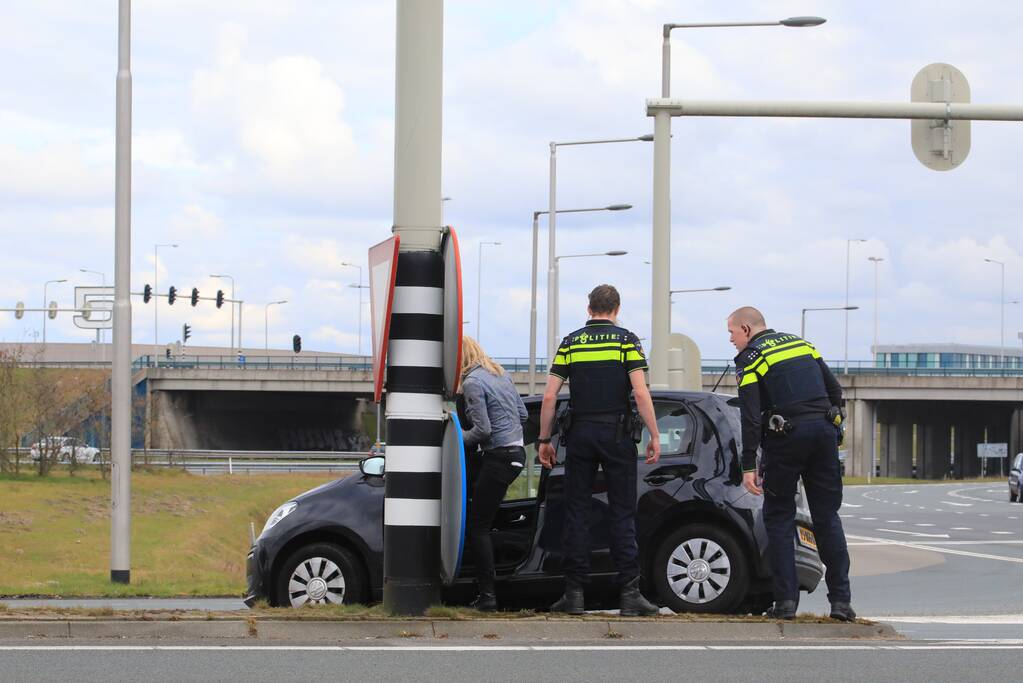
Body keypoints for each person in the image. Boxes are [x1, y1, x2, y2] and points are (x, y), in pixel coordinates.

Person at [537, 284, 661, 616]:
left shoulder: (571, 342)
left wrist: (544, 440)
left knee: (577, 513)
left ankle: (574, 594)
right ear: (616, 309)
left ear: (589, 309)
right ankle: (630, 595)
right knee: (622, 513)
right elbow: (639, 391)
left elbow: (549, 396)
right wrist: (654, 434)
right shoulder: (626, 341)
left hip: (580, 433)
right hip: (617, 433)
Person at [726, 306, 855, 621]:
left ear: (746, 328)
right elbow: (835, 391)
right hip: (824, 433)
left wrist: (748, 466)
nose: (731, 340)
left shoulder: (751, 358)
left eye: (731, 333)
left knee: (780, 518)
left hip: (787, 438)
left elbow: (750, 416)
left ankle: (785, 604)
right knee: (827, 517)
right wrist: (834, 429)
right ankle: (841, 603)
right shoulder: (801, 344)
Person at [459, 336, 528, 611]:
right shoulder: (501, 374)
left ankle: (487, 597)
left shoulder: (472, 383)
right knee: (487, 518)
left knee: (478, 527)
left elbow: (482, 431)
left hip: (498, 456)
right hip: (517, 455)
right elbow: (522, 415)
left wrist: (455, 436)